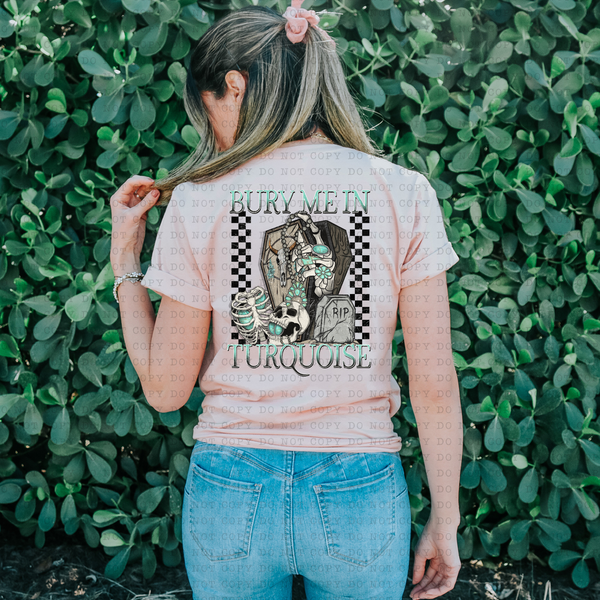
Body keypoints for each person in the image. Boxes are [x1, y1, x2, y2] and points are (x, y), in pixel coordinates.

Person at [109, 2, 463, 599]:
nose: (212, 132)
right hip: (359, 490)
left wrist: (126, 263)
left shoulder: (200, 199)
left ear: (235, 85)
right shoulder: (404, 192)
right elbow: (434, 380)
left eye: (208, 110)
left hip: (231, 488)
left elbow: (165, 390)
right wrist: (445, 521)